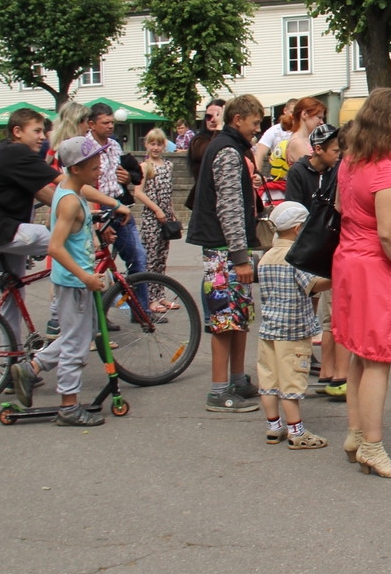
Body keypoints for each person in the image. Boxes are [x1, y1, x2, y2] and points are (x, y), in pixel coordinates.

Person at [0, 108, 129, 342]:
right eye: (37, 131)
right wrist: (114, 204)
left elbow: (48, 194)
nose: (43, 136)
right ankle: (64, 317)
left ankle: (12, 361)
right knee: (67, 243)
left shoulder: (5, 154)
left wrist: (80, 213)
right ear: (17, 132)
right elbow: (69, 184)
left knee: (12, 296)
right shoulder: (18, 154)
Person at [333, 88, 391, 477]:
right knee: (379, 360)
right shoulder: (385, 167)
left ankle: (356, 434)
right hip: (376, 269)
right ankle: (372, 445)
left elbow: (341, 209)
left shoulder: (349, 160)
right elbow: (389, 234)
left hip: (349, 263)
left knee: (359, 352)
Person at [5, 135, 113, 428]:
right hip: (74, 283)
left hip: (76, 281)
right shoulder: (68, 202)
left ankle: (32, 367)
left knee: (82, 332)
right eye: (93, 165)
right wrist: (86, 277)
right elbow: (55, 247)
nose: (99, 168)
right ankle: (68, 405)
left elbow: (76, 235)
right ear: (76, 168)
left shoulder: (70, 191)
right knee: (76, 345)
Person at [188, 93, 265, 412]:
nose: (257, 130)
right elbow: (230, 207)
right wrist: (240, 257)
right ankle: (219, 390)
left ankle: (236, 378)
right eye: (255, 123)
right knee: (225, 320)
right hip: (224, 250)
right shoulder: (228, 151)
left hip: (229, 247)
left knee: (239, 317)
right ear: (238, 120)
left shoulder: (230, 146)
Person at [256, 200, 331, 449]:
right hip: (293, 331)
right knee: (291, 382)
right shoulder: (296, 258)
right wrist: (336, 278)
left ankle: (273, 426)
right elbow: (312, 285)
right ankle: (296, 431)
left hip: (268, 330)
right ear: (299, 229)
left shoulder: (266, 258)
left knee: (269, 381)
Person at [285, 121, 347, 397]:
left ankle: (327, 371)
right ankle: (331, 373)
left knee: (328, 310)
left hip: (325, 244)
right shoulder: (300, 171)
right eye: (334, 150)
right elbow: (295, 208)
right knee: (323, 309)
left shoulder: (334, 169)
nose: (338, 154)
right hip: (311, 242)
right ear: (318, 150)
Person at [86, 102, 151, 315]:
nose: (110, 126)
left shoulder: (114, 145)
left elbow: (128, 173)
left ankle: (140, 311)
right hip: (99, 207)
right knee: (100, 265)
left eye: (112, 122)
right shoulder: (84, 147)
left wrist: (129, 177)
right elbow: (84, 185)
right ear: (91, 124)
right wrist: (96, 218)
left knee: (138, 258)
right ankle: (98, 317)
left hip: (119, 205)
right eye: (105, 123)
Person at [137, 128, 179, 313]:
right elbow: (138, 192)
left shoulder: (168, 165)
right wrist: (156, 209)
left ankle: (159, 295)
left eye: (159, 144)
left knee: (162, 258)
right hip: (151, 218)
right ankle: (149, 298)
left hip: (165, 218)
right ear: (146, 145)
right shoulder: (145, 166)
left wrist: (171, 211)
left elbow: (168, 192)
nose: (155, 147)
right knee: (150, 258)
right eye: (152, 143)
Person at [280, 98, 326, 179]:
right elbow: (314, 169)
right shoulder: (297, 142)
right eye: (319, 117)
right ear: (304, 114)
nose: (322, 122)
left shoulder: (304, 139)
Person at [252, 98, 298, 179]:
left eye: (297, 113)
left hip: (297, 176)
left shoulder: (302, 130)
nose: (294, 116)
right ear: (285, 110)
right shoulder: (274, 130)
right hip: (278, 177)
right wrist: (257, 174)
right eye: (291, 112)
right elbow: (260, 152)